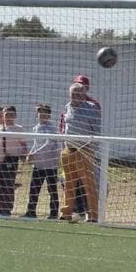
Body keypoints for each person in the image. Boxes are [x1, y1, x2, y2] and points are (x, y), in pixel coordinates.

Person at [60, 82, 101, 223]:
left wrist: (91, 151)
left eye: (79, 93)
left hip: (84, 151)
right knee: (69, 184)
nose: (76, 96)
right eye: (73, 94)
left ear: (84, 95)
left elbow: (96, 132)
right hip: (68, 151)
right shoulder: (67, 107)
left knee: (88, 185)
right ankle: (66, 213)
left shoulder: (92, 109)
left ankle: (93, 215)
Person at [22, 104, 61, 219]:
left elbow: (48, 144)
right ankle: (31, 211)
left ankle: (54, 213)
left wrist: (35, 153)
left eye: (45, 113)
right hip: (38, 165)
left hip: (50, 165)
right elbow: (36, 143)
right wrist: (30, 153)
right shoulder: (36, 128)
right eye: (40, 113)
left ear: (49, 115)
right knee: (34, 189)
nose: (43, 115)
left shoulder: (52, 129)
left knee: (52, 189)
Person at [0, 105, 27, 216]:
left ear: (15, 116)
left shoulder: (18, 129)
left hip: (11, 159)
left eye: (11, 114)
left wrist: (25, 155)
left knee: (8, 184)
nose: (8, 117)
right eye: (6, 114)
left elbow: (23, 144)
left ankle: (7, 208)